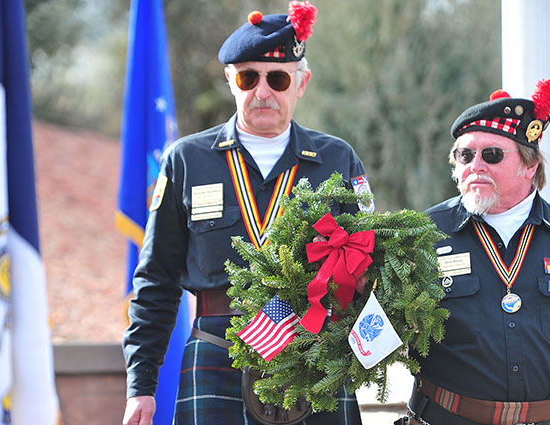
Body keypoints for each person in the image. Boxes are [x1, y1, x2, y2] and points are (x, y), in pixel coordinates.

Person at [122, 2, 372, 424]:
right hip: (216, 349)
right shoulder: (186, 159)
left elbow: (371, 262)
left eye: (277, 78)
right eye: (247, 77)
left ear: (301, 82)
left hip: (313, 356)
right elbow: (156, 279)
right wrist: (141, 386)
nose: (262, 91)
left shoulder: (338, 159)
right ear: (230, 82)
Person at [400, 80, 550, 425]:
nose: (475, 165)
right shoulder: (421, 235)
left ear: (530, 166)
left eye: (492, 154)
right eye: (465, 155)